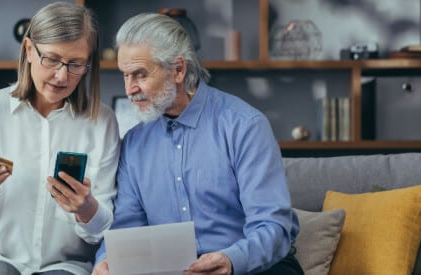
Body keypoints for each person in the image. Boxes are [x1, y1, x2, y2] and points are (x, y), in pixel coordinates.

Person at [93, 13, 303, 275]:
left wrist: (231, 260)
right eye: (125, 76)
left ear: (178, 70)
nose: (129, 89)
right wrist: (106, 260)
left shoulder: (244, 125)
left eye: (140, 75)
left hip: (251, 267)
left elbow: (273, 226)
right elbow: (127, 229)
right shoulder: (134, 144)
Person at [0, 3, 120, 275]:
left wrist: (86, 208)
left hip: (61, 267)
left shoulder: (102, 123)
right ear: (29, 50)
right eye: (52, 59)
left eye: (76, 64)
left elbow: (101, 230)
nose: (62, 75)